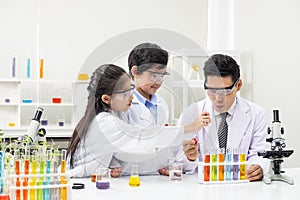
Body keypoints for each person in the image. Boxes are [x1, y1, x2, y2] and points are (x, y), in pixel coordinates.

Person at [66, 64, 204, 177]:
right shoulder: (105, 123)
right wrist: (190, 127)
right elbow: (145, 137)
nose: (131, 97)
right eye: (125, 93)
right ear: (106, 99)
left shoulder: (105, 118)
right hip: (80, 186)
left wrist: (176, 148)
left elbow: (131, 154)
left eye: (131, 89)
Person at [109, 43, 199, 176]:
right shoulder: (121, 104)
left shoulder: (162, 104)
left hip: (157, 178)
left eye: (162, 76)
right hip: (128, 177)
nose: (159, 81)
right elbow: (121, 146)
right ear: (135, 71)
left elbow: (164, 148)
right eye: (153, 75)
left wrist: (187, 153)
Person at [177, 54, 270, 181]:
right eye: (212, 91)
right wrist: (190, 158)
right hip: (202, 188)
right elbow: (177, 163)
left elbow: (260, 154)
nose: (218, 99)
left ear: (238, 85)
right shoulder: (191, 113)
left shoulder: (256, 114)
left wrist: (258, 166)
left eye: (226, 91)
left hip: (241, 186)